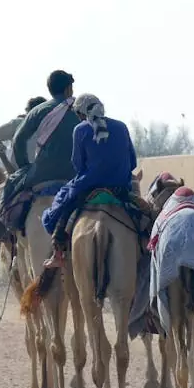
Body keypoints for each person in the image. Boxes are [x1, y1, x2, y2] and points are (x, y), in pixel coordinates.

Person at [40, 93, 139, 268]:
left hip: (88, 186)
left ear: (81, 113)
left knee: (62, 204)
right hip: (120, 188)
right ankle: (147, 249)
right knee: (143, 214)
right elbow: (132, 162)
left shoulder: (80, 130)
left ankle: (58, 250)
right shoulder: (122, 126)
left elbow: (78, 165)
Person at [0, 70, 80, 243]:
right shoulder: (79, 111)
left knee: (12, 183)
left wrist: (24, 167)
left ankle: (1, 226)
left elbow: (18, 141)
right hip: (75, 175)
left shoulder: (37, 112)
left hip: (41, 174)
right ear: (68, 89)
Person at [0, 96, 48, 172]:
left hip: (17, 174)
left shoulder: (19, 123)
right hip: (40, 175)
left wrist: (0, 150)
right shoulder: (49, 128)